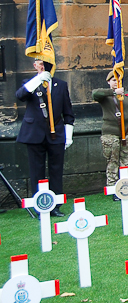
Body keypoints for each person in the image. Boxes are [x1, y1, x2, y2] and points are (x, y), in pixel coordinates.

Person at [16, 60, 74, 216]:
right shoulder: (29, 83)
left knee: (56, 170)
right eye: (37, 63)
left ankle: (55, 206)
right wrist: (38, 80)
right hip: (34, 133)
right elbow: (20, 95)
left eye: (42, 63)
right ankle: (41, 206)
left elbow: (68, 112)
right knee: (37, 172)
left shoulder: (60, 85)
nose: (39, 65)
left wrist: (68, 135)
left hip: (56, 134)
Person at [93, 71, 128, 196]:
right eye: (113, 80)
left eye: (118, 80)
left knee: (126, 161)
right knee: (113, 161)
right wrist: (114, 92)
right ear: (109, 82)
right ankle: (113, 188)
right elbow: (95, 94)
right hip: (111, 134)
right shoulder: (105, 95)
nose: (116, 82)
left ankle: (126, 187)